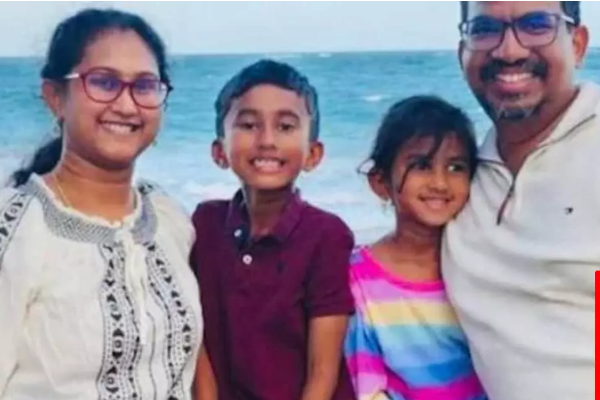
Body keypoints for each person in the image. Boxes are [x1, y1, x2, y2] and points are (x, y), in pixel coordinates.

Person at [0, 8, 203, 400]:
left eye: (145, 85)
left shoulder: (169, 219)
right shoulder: (16, 228)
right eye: (104, 82)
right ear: (55, 97)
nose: (127, 105)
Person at [443, 2, 594, 399]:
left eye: (536, 24)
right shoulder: (456, 183)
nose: (509, 50)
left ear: (578, 44)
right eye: (484, 29)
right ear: (462, 52)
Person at [191, 59, 356, 400]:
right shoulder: (204, 225)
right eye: (249, 124)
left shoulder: (327, 235)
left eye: (285, 126)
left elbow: (322, 371)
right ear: (220, 152)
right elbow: (199, 341)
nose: (267, 140)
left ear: (313, 154)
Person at [344, 96, 485, 400]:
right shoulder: (358, 279)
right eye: (421, 165)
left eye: (456, 167)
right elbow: (368, 386)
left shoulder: (482, 265)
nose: (440, 183)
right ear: (380, 181)